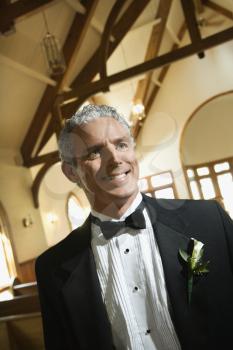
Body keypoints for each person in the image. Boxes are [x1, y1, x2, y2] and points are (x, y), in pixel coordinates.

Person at [35, 104, 233, 350]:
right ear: (71, 172)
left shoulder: (207, 220)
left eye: (121, 144)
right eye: (95, 152)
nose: (115, 159)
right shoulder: (52, 267)